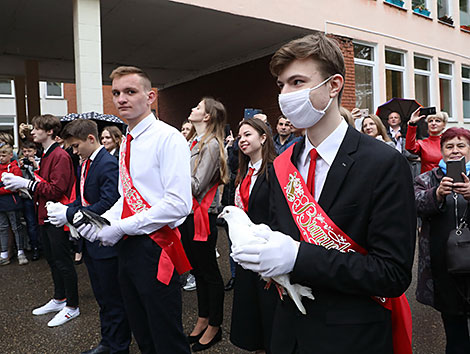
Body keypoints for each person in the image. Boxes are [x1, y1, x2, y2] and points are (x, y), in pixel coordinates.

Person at [231, 33, 416, 354]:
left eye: (298, 82)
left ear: (334, 85)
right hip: (288, 331)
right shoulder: (280, 165)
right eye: (282, 85)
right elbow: (281, 237)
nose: (286, 95)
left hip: (353, 337)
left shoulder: (384, 163)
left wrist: (298, 257)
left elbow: (392, 274)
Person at [78, 66, 192, 354]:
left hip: (157, 247)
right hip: (128, 246)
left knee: (166, 335)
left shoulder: (168, 137)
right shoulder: (127, 139)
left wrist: (120, 227)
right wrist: (104, 222)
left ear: (150, 96)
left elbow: (179, 204)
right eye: (116, 93)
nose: (121, 99)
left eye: (130, 91)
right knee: (142, 331)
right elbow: (126, 195)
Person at [47, 119, 131, 354]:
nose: (74, 151)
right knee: (103, 298)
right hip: (91, 239)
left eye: (75, 146)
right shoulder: (85, 163)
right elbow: (85, 198)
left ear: (91, 139)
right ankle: (108, 342)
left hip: (105, 241)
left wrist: (71, 213)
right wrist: (65, 207)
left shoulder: (107, 164)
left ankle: (118, 346)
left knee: (113, 299)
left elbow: (109, 202)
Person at [3, 114, 78, 327]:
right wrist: (23, 186)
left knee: (63, 262)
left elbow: (56, 190)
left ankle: (72, 306)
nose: (33, 131)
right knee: (53, 261)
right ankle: (59, 298)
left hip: (56, 217)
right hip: (44, 215)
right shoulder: (46, 154)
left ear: (50, 131)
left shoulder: (60, 155)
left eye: (37, 128)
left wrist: (25, 184)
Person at [414, 127, 470, 354]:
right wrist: (436, 194)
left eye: (461, 145)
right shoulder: (426, 178)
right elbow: (414, 204)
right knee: (455, 333)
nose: (455, 151)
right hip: (443, 266)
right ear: (441, 150)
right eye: (449, 146)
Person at [179, 97, 229, 352]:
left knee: (208, 272)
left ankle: (215, 325)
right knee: (198, 272)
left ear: (207, 116)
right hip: (188, 214)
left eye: (197, 107)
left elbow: (197, 185)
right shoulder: (193, 142)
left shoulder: (210, 145)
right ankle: (203, 318)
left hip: (202, 215)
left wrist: (172, 173)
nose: (192, 109)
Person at [230, 118, 278, 354]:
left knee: (269, 312)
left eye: (247, 135)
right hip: (246, 254)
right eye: (240, 137)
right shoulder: (243, 173)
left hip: (267, 252)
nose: (242, 140)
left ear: (263, 137)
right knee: (251, 313)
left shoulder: (275, 171)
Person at [0, 143, 28, 266]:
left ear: (11, 155)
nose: (1, 157)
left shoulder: (15, 168)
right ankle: (4, 253)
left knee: (17, 228)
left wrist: (3, 188)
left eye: (3, 155)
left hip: (13, 203)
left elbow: (15, 186)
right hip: (1, 205)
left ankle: (21, 252)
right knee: (3, 228)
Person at [406, 109, 448, 173]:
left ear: (444, 125)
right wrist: (412, 124)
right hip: (428, 181)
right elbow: (410, 147)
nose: (433, 123)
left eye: (437, 121)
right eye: (430, 121)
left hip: (447, 179)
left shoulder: (449, 142)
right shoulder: (422, 143)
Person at [19, 140, 40, 261]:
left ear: (35, 151)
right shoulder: (20, 163)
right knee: (31, 224)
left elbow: (40, 177)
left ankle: (43, 245)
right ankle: (35, 247)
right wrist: (21, 168)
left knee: (42, 223)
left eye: (29, 151)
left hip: (39, 196)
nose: (27, 154)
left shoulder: (40, 161)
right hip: (27, 198)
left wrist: (34, 166)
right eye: (25, 151)